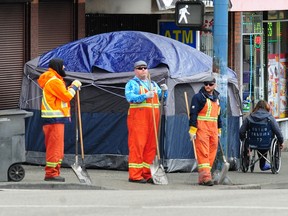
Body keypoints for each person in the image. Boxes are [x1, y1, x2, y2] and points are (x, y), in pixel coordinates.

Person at [38, 58, 82, 182]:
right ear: (58, 67)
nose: (64, 68)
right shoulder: (54, 81)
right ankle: (51, 174)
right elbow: (66, 96)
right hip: (54, 120)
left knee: (57, 147)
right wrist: (74, 86)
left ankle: (54, 172)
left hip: (54, 119)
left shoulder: (53, 79)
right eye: (63, 66)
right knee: (55, 148)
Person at [125, 60, 168, 184]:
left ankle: (147, 173)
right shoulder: (132, 84)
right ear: (135, 70)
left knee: (151, 147)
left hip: (153, 120)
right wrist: (144, 96)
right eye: (139, 68)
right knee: (138, 145)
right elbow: (130, 97)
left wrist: (165, 91)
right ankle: (135, 175)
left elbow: (162, 97)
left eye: (145, 68)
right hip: (138, 119)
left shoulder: (153, 84)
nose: (143, 70)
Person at [189, 76, 221, 186]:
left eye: (210, 84)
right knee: (203, 152)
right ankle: (206, 177)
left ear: (214, 85)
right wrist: (192, 129)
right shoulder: (198, 97)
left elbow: (218, 115)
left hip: (213, 128)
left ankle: (203, 177)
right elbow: (193, 114)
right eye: (206, 84)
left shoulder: (217, 98)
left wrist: (219, 129)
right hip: (202, 128)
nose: (207, 86)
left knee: (212, 152)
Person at [239, 100, 284, 171]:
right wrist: (281, 142)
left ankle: (247, 159)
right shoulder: (270, 118)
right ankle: (263, 165)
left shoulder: (249, 117)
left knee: (250, 140)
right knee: (265, 140)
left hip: (252, 142)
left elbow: (242, 131)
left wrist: (243, 141)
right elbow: (278, 132)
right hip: (266, 142)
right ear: (266, 108)